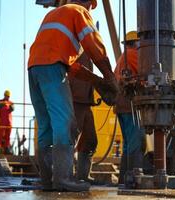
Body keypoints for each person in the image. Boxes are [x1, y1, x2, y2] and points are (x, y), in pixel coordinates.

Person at [28, 0, 117, 192]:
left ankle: (47, 180)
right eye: (91, 6)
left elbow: (71, 66)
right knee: (65, 123)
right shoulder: (79, 11)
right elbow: (94, 45)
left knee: (46, 126)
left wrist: (96, 81)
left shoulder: (55, 14)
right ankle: (63, 179)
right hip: (52, 69)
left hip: (34, 69)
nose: (91, 10)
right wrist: (109, 76)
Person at [113, 31, 144, 185]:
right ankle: (134, 179)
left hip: (121, 106)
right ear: (135, 43)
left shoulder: (121, 58)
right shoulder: (133, 55)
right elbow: (145, 72)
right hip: (130, 105)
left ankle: (124, 179)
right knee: (136, 142)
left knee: (127, 145)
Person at [69, 53, 98, 184]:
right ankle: (67, 175)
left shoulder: (88, 54)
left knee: (91, 141)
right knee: (70, 140)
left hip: (86, 102)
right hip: (75, 101)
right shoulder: (73, 50)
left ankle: (83, 175)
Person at [0, 90, 14, 154]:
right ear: (4, 95)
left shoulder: (11, 103)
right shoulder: (1, 102)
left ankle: (7, 148)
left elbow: (12, 108)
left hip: (9, 122)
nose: (7, 97)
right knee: (0, 135)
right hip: (3, 121)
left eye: (8, 96)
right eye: (6, 96)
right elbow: (1, 105)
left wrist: (10, 105)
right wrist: (7, 103)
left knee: (8, 136)